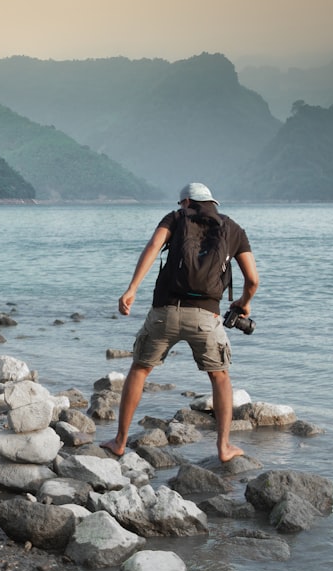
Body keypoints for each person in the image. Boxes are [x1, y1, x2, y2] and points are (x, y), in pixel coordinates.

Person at [100, 182, 259, 463]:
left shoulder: (175, 218)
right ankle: (224, 447)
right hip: (206, 318)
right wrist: (243, 303)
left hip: (166, 311)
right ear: (212, 203)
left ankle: (119, 442)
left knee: (139, 369)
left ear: (185, 201)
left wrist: (132, 288)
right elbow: (253, 280)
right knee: (220, 377)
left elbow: (153, 246)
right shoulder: (233, 228)